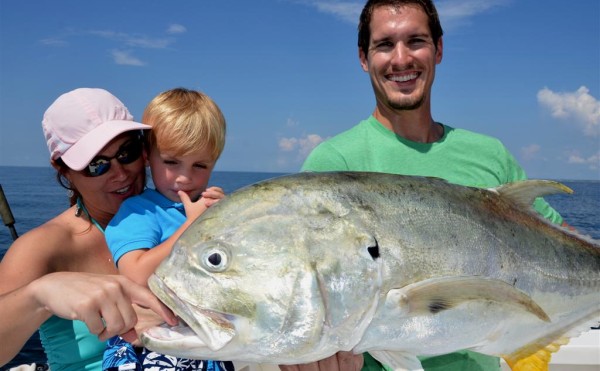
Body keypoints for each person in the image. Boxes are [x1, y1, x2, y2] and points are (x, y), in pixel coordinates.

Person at [301, 0, 565, 370]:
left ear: (438, 49)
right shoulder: (333, 165)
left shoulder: (489, 155)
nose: (401, 59)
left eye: (416, 41)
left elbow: (558, 235)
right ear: (363, 57)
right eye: (384, 45)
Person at [0, 88, 178, 370]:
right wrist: (40, 295)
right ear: (63, 170)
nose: (120, 173)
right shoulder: (43, 247)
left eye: (127, 153)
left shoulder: (179, 218)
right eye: (96, 165)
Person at [102, 88, 232, 371]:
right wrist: (190, 226)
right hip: (146, 347)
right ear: (148, 155)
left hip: (202, 343)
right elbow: (135, 274)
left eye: (200, 165)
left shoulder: (208, 208)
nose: (185, 177)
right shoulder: (138, 211)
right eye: (171, 162)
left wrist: (229, 218)